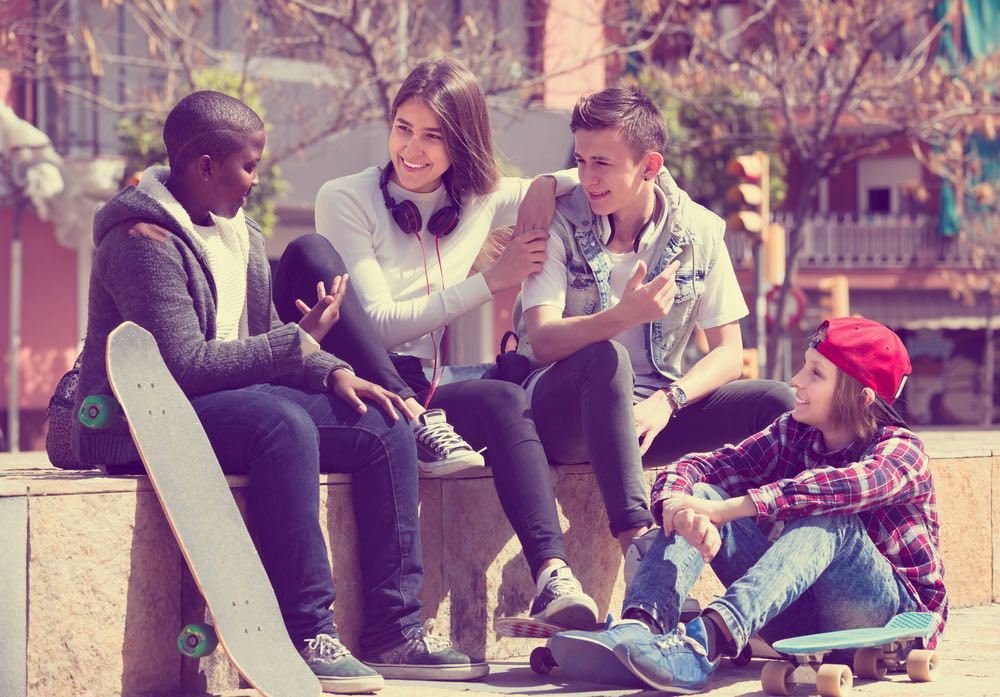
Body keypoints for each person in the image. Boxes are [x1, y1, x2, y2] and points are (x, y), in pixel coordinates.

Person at [69, 90, 485, 693]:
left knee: (382, 419)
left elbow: (264, 336)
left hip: (224, 404)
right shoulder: (142, 240)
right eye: (249, 166)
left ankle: (394, 631)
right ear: (205, 166)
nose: (256, 180)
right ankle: (308, 632)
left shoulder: (239, 233)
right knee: (281, 425)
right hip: (146, 418)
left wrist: (332, 372)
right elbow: (182, 366)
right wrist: (298, 342)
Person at [274, 56, 599, 629]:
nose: (412, 149)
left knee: (506, 399)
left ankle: (553, 575)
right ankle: (414, 418)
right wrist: (491, 281)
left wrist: (547, 183)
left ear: (462, 142)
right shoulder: (345, 197)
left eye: (433, 135)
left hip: (427, 391)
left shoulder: (479, 200)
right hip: (358, 378)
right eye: (403, 128)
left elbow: (589, 178)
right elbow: (377, 323)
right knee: (313, 257)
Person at [550, 317, 947, 694]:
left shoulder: (903, 452)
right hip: (800, 617)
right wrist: (677, 503)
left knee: (829, 518)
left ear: (861, 398)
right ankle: (641, 628)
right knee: (703, 496)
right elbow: (707, 466)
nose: (795, 381)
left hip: (886, 620)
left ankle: (705, 643)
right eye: (804, 367)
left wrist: (732, 509)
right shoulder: (795, 433)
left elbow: (836, 488)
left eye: (815, 374)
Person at [513, 86, 795, 555]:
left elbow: (729, 354)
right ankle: (636, 542)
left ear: (650, 166)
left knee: (776, 400)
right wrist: (621, 316)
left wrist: (669, 400)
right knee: (607, 359)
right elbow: (542, 340)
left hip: (650, 416)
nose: (587, 177)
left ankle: (779, 542)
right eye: (580, 161)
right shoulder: (557, 221)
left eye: (601, 163)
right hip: (561, 413)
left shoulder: (699, 231)